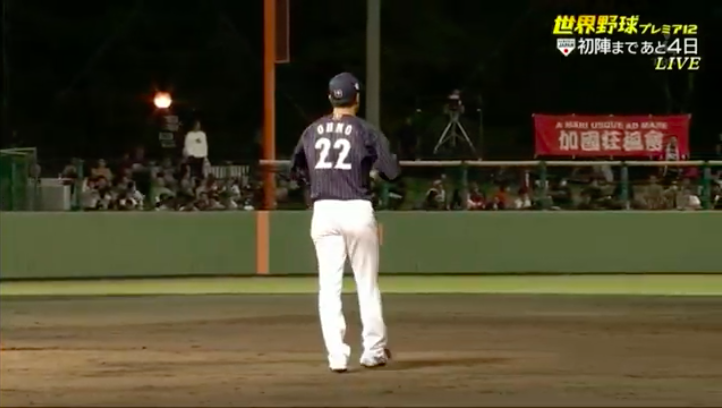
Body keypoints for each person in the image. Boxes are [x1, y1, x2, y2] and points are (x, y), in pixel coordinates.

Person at [290, 72, 400, 373]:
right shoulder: (365, 131)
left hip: (323, 209)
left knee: (329, 287)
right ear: (357, 99)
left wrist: (316, 180)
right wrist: (372, 172)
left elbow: (295, 170)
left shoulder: (312, 131)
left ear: (330, 98)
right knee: (367, 284)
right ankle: (373, 351)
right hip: (356, 207)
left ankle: (336, 356)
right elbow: (392, 171)